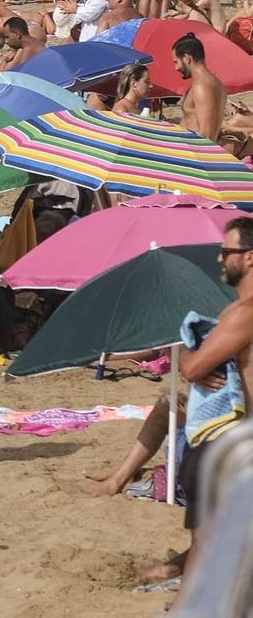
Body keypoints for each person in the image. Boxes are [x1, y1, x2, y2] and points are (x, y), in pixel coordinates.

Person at [143, 216, 253, 586]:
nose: (219, 259)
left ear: (250, 257)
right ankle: (179, 572)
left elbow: (191, 367)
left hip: (231, 444)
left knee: (208, 536)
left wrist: (195, 358)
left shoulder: (244, 312)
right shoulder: (236, 312)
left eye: (226, 252)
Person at [175, 33, 225, 142]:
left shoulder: (201, 86)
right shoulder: (215, 82)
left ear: (186, 58)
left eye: (176, 62)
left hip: (195, 154)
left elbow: (206, 134)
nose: (176, 68)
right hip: (195, 152)